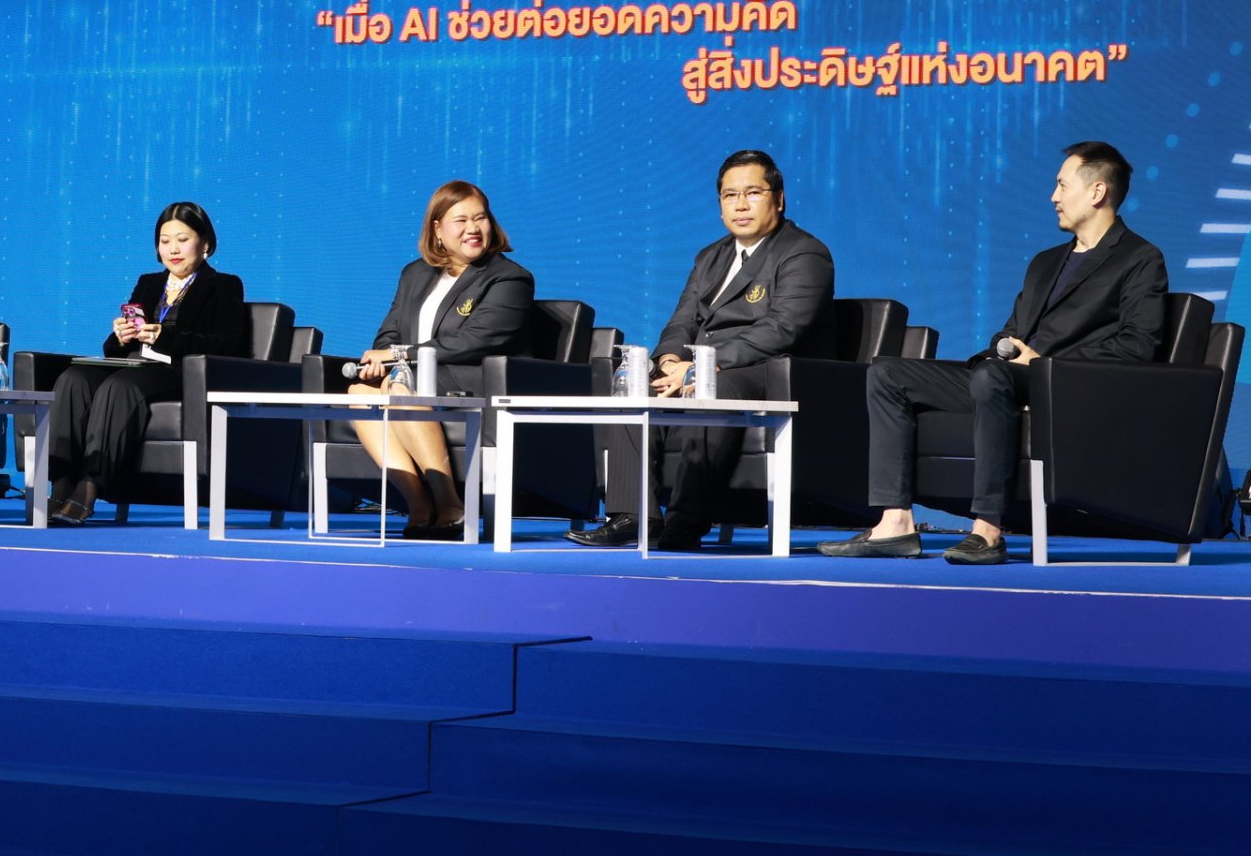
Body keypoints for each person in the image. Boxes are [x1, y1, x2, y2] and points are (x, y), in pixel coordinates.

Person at [821, 141, 1166, 565]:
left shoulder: (1139, 258)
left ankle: (987, 530)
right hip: (1009, 377)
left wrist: (1043, 363)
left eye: (1062, 185)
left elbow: (1137, 345)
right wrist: (1001, 349)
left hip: (1067, 385)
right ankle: (896, 523)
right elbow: (1013, 329)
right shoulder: (1045, 262)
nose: (1053, 197)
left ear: (1097, 192)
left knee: (991, 377)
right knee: (887, 373)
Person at [570, 149, 834, 551]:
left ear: (779, 199)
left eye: (753, 193)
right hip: (705, 365)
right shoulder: (711, 256)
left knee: (713, 389)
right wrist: (670, 361)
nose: (740, 205)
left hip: (767, 371)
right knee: (634, 383)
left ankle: (686, 520)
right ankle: (634, 515)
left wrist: (702, 369)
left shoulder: (803, 252)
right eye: (730, 196)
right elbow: (681, 321)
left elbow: (783, 329)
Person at [348, 180, 532, 540]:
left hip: (476, 381)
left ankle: (450, 503)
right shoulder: (414, 274)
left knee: (401, 385)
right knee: (359, 392)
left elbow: (473, 342)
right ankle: (418, 504)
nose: (473, 229)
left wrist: (399, 357)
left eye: (480, 218)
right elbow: (389, 334)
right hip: (415, 378)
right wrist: (381, 361)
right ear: (437, 228)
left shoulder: (510, 278)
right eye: (460, 220)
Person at [44, 201, 247, 525]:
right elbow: (114, 349)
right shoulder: (148, 283)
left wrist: (165, 337)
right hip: (136, 365)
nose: (173, 249)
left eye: (182, 239)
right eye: (165, 241)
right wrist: (121, 336)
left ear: (205, 243)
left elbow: (228, 344)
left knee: (120, 386)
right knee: (74, 378)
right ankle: (61, 483)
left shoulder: (224, 285)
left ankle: (89, 487)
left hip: (178, 372)